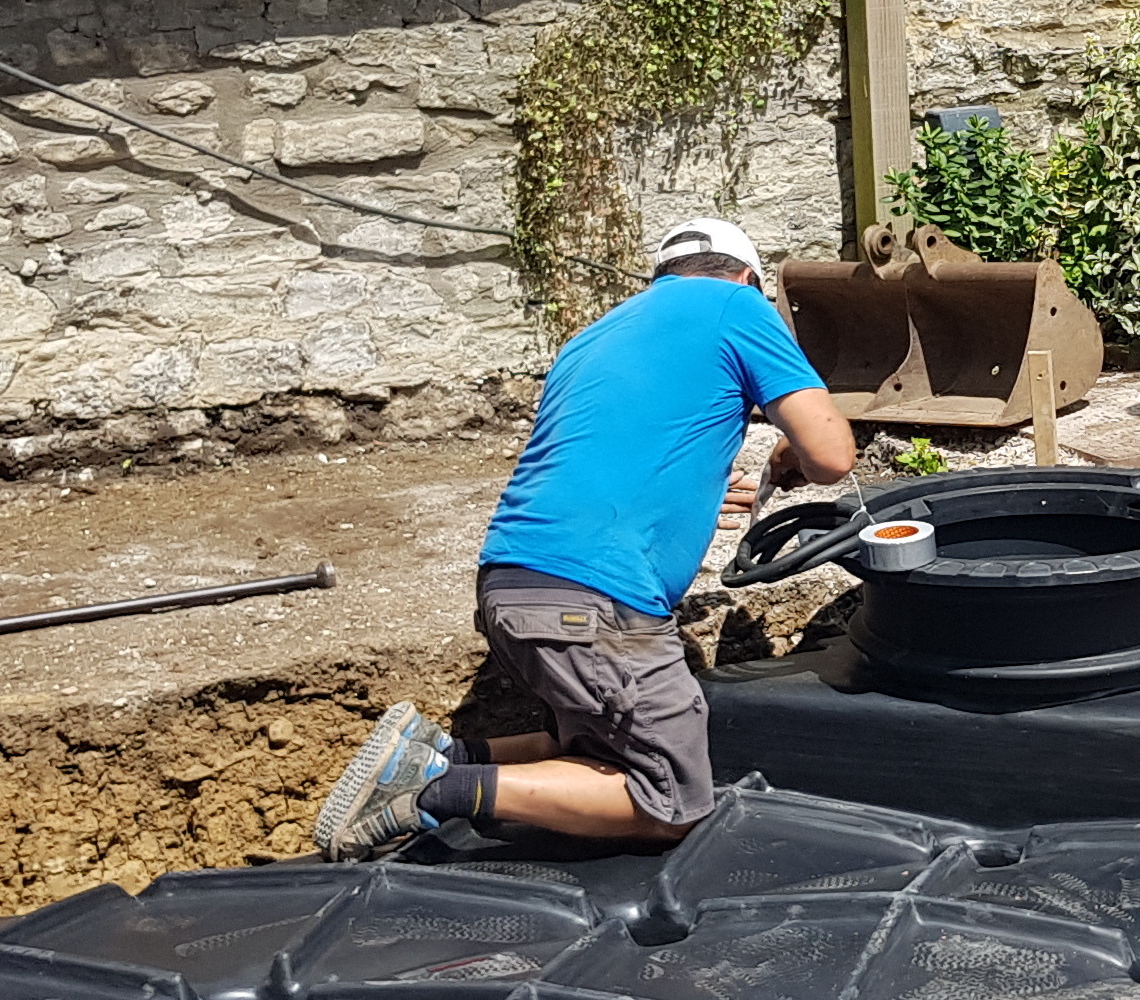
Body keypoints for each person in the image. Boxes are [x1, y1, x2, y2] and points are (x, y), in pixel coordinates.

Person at [316, 217, 855, 856]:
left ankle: (442, 751)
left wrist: (716, 488)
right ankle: (434, 789)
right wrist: (797, 452)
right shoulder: (735, 304)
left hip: (513, 583)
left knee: (591, 750)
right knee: (672, 802)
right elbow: (833, 455)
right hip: (593, 602)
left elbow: (614, 463)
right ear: (747, 278)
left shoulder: (594, 337)